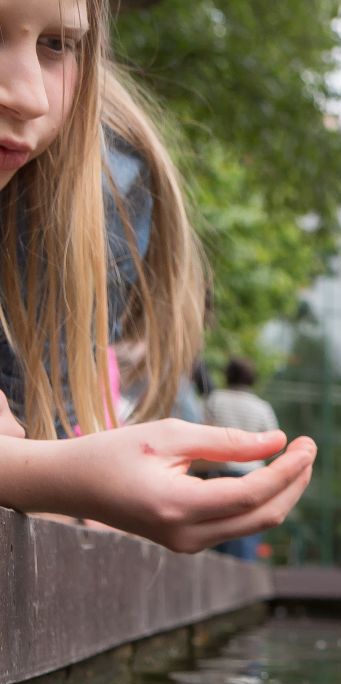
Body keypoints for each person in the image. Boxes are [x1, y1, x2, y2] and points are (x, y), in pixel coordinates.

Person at [0, 2, 315, 549]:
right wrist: (59, 474)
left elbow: (37, 419)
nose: (30, 96)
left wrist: (56, 466)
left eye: (57, 44)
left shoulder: (96, 172)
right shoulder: (106, 170)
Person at [199, 356, 282, 560]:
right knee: (245, 530)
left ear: (227, 376)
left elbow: (203, 431)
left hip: (219, 471)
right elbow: (276, 443)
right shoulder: (262, 407)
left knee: (216, 530)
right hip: (252, 474)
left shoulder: (215, 399)